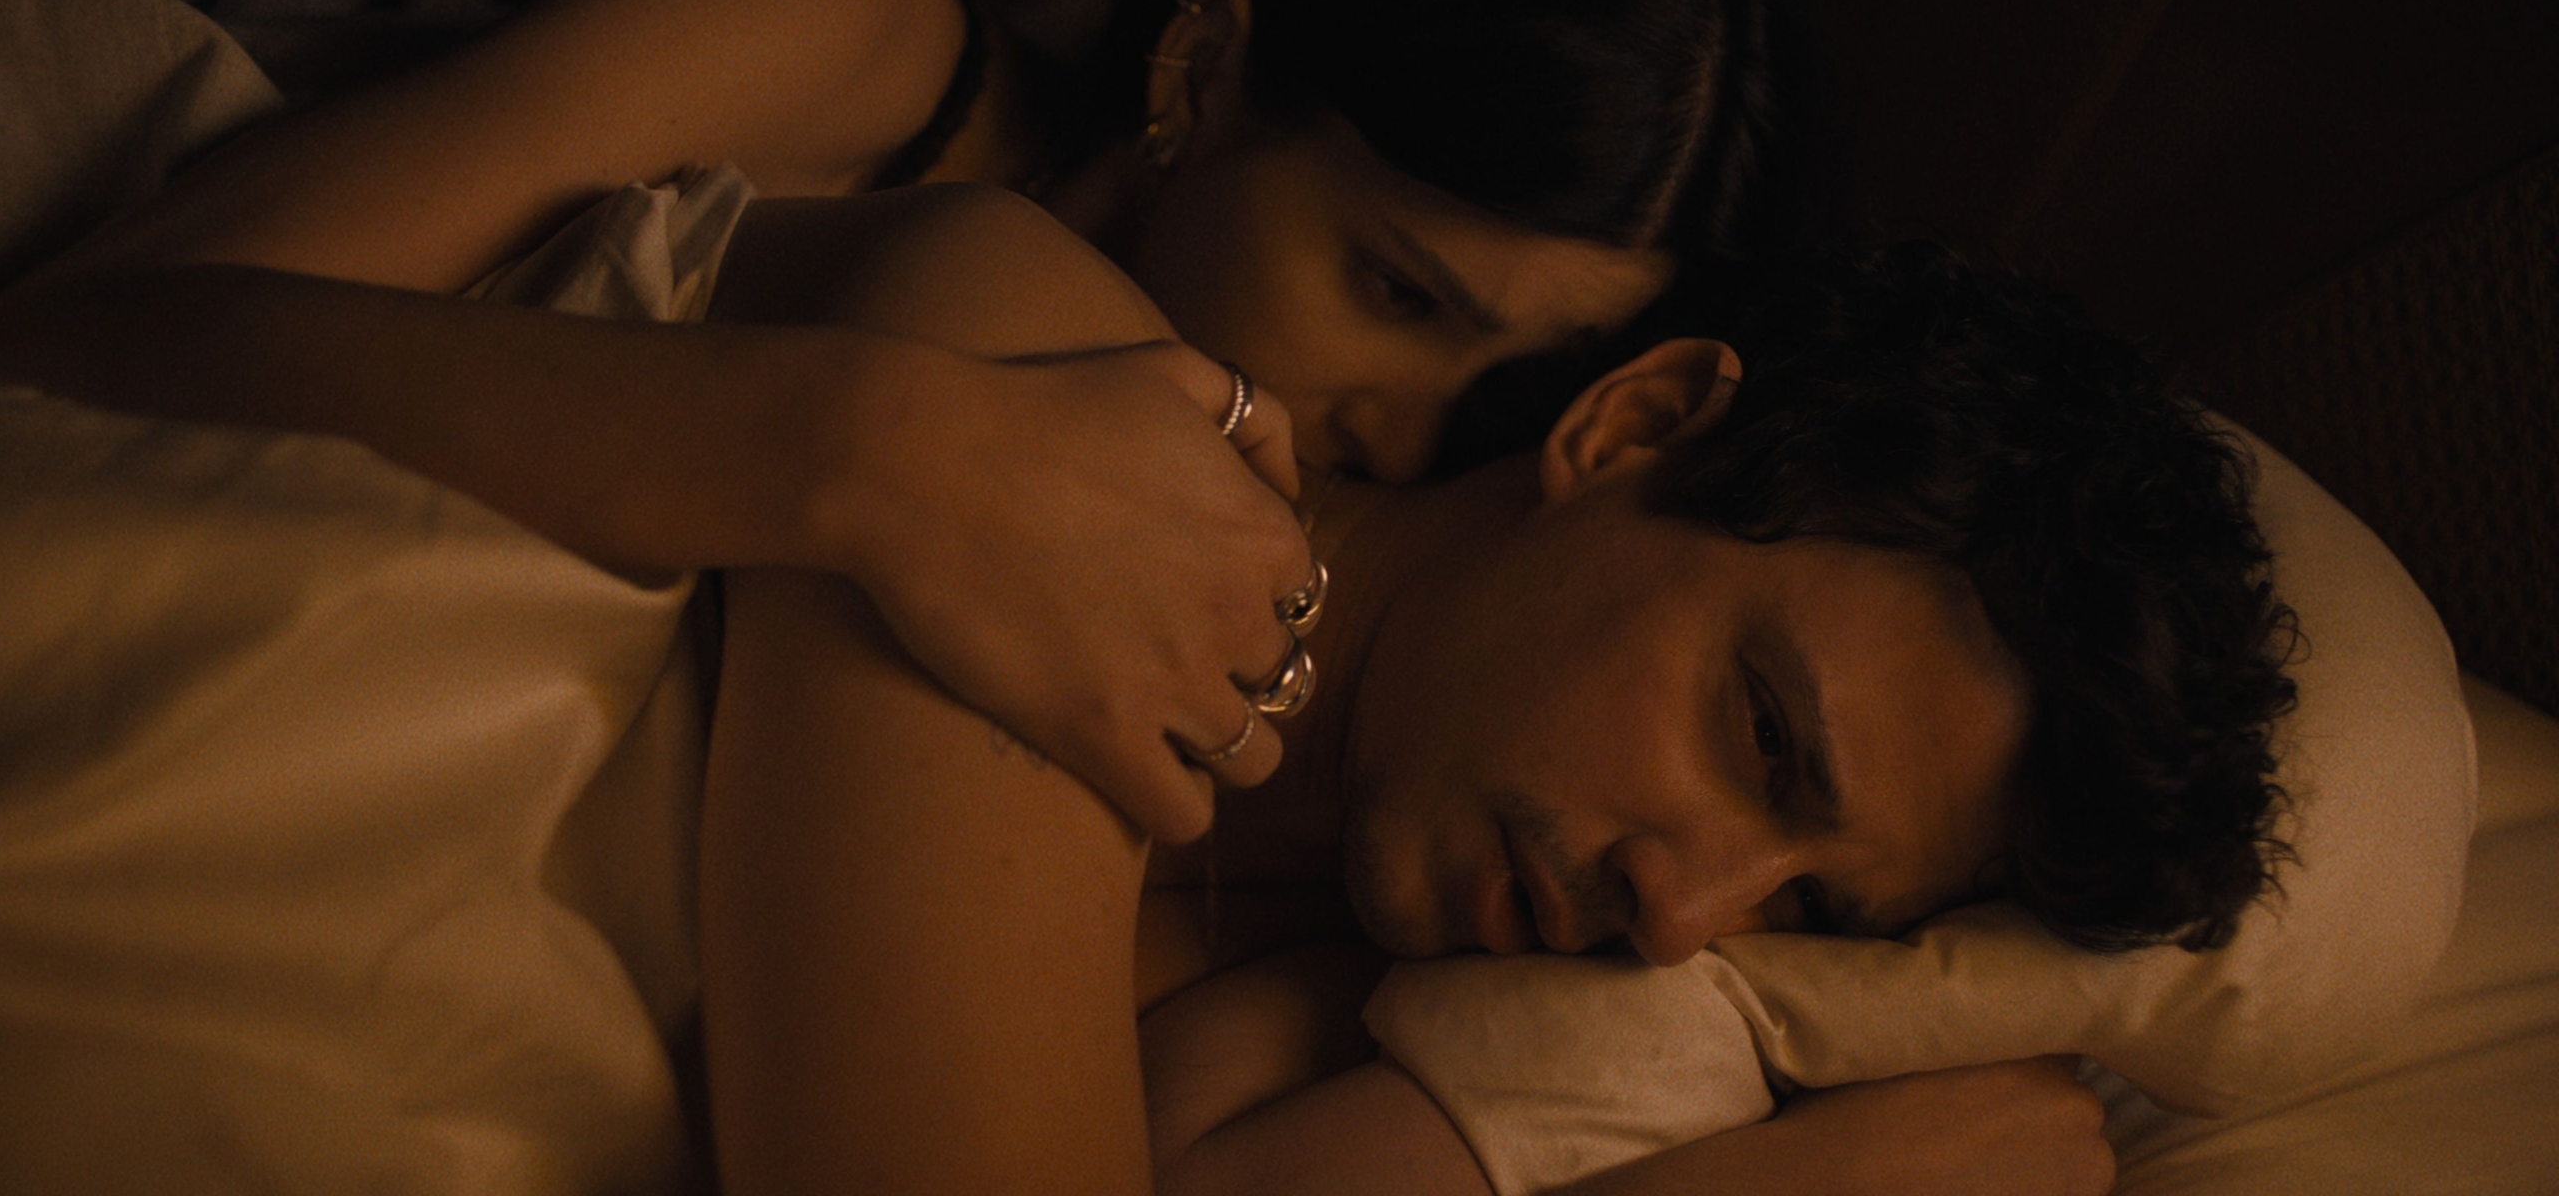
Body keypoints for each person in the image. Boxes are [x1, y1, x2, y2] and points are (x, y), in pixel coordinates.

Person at [0, 0, 1783, 845]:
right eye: (1393, 289)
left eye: (1496, 387)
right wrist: (861, 447)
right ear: (1207, 71)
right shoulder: (840, 29)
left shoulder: (1315, 534)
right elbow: (88, 333)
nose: (1398, 428)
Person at [689, 201, 2299, 1194]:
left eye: (1808, 912)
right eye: (1760, 739)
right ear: (1636, 430)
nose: (1681, 919)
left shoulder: (1325, 1022)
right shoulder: (1050, 383)